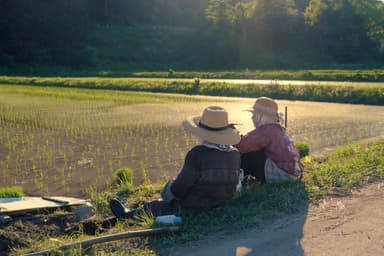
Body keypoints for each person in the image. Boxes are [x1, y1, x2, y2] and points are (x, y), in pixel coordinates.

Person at [109, 106, 241, 219]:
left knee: (156, 204)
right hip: (222, 205)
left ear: (203, 133)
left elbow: (179, 189)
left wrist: (170, 188)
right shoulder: (234, 154)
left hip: (194, 207)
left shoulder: (198, 153)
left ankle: (127, 215)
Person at [234, 97, 302, 184]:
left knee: (248, 153)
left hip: (282, 175)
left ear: (263, 115)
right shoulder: (277, 129)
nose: (252, 117)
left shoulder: (266, 130)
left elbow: (242, 145)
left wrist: (230, 136)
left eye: (254, 114)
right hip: (294, 174)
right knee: (255, 148)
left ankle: (239, 181)